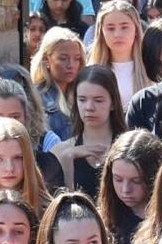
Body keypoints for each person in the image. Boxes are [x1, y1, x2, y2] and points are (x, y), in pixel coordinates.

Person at [53, 66, 126, 199]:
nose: (89, 107)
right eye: (82, 100)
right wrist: (67, 159)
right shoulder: (61, 150)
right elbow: (61, 209)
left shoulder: (130, 147)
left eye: (98, 100)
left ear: (113, 103)